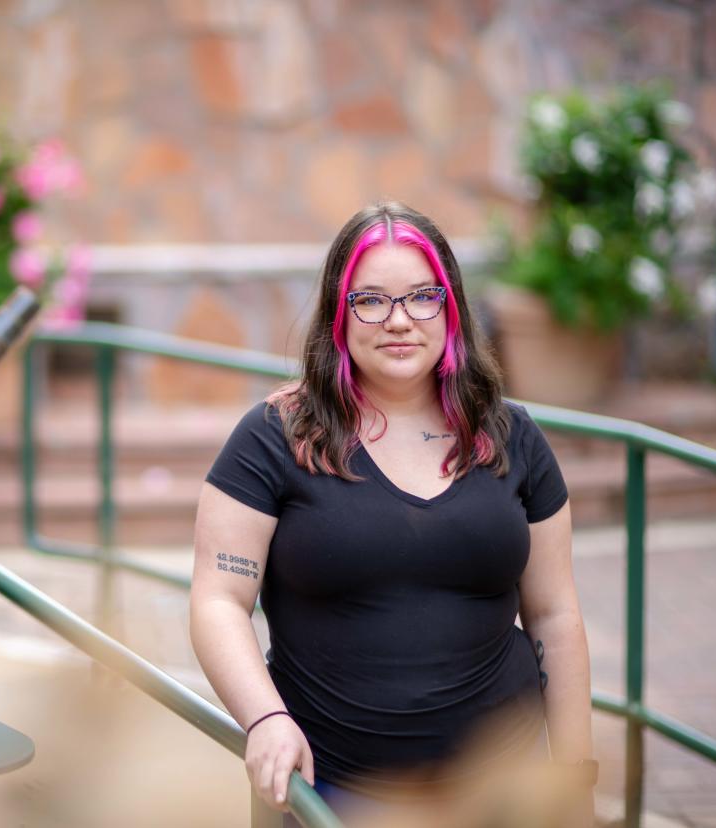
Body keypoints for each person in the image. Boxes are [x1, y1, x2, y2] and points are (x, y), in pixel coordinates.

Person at [189, 202, 594, 826]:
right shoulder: (273, 438)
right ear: (337, 315)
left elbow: (555, 615)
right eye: (370, 300)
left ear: (451, 307)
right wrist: (265, 718)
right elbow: (219, 599)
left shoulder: (514, 437)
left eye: (422, 297)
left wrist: (572, 779)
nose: (399, 320)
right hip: (330, 793)